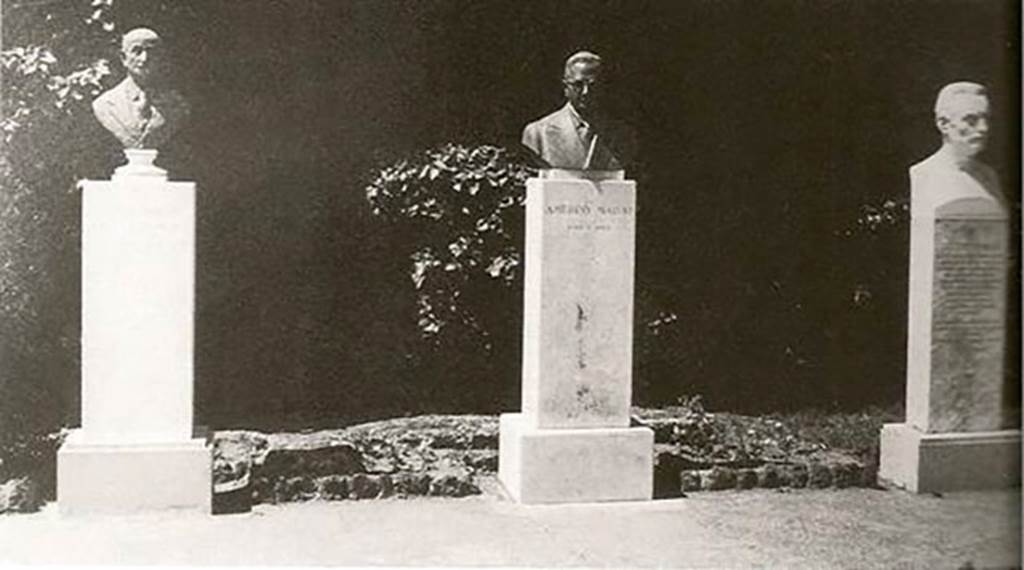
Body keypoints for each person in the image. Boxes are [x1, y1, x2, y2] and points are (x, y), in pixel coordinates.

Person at [521, 51, 636, 171]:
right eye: (578, 85)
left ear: (603, 87)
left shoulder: (623, 135)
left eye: (593, 85)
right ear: (565, 87)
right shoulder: (538, 134)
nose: (586, 92)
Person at [909, 82, 1002, 213]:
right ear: (944, 124)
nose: (984, 128)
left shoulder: (990, 176)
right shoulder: (924, 174)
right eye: (971, 120)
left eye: (986, 119)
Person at [92, 28, 189, 150]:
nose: (144, 58)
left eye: (151, 52)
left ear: (161, 58)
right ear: (124, 58)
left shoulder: (177, 104)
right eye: (137, 51)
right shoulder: (105, 104)